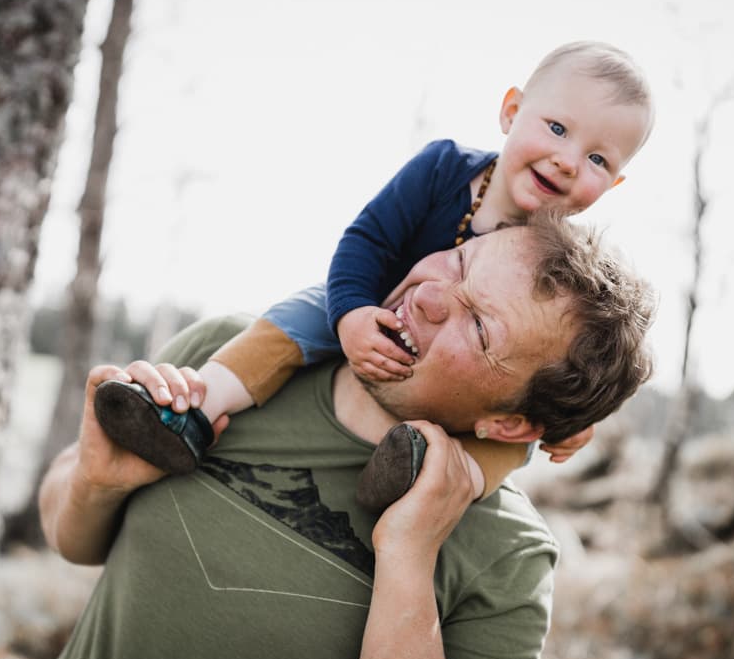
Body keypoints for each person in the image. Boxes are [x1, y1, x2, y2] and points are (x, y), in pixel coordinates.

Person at [39, 213, 656, 659]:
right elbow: (69, 538)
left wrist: (409, 559)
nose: (430, 296)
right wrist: (98, 481)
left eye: (480, 326)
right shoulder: (226, 360)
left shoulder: (508, 556)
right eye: (461, 262)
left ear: (512, 423)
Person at [95, 40, 655, 504]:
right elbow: (368, 239)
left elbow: (568, 359)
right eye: (557, 129)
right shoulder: (443, 168)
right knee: (294, 320)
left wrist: (572, 419)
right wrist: (353, 314)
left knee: (512, 440)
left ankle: (421, 480)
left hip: (457, 380)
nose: (567, 160)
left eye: (598, 160)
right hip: (371, 294)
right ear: (512, 111)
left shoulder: (556, 259)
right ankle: (198, 407)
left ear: (615, 185)